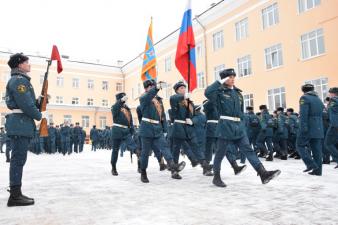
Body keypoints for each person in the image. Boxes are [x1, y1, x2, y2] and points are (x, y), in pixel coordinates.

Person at [205, 68, 280, 188]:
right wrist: (219, 82)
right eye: (229, 77)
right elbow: (208, 93)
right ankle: (216, 177)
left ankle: (263, 173)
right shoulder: (219, 92)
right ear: (224, 79)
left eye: (233, 76)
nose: (232, 79)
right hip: (225, 126)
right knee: (220, 153)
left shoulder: (238, 94)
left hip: (238, 127)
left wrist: (243, 126)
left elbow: (241, 112)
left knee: (248, 150)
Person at [5, 53, 48, 206]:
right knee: (18, 160)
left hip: (21, 123)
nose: (29, 64)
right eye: (26, 62)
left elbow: (28, 102)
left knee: (19, 160)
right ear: (19, 64)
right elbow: (25, 104)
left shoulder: (21, 80)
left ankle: (16, 192)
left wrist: (40, 101)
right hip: (20, 124)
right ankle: (15, 196)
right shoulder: (19, 81)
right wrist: (38, 115)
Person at [138, 79, 186, 183]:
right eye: (150, 87)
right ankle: (143, 172)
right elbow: (148, 96)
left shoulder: (159, 100)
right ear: (146, 89)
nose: (152, 88)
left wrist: (165, 130)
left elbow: (162, 116)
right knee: (145, 153)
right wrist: (156, 88)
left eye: (153, 86)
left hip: (157, 128)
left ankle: (173, 166)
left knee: (165, 148)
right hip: (146, 128)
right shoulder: (144, 98)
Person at [170, 81, 212, 179]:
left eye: (184, 88)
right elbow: (173, 98)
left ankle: (205, 167)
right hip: (178, 128)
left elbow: (196, 115)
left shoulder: (190, 102)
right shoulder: (175, 100)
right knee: (176, 150)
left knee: (196, 148)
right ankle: (174, 171)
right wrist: (183, 96)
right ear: (176, 91)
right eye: (181, 88)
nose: (183, 90)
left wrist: (192, 121)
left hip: (188, 128)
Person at [297, 84, 324, 176]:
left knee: (300, 145)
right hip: (319, 127)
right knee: (317, 150)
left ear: (303, 90)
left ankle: (310, 164)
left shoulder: (304, 98)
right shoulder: (318, 99)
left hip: (309, 126)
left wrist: (303, 128)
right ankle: (318, 171)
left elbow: (304, 115)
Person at [111, 92, 137, 176]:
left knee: (135, 148)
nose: (124, 100)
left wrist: (132, 131)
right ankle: (113, 167)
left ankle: (141, 166)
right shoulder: (115, 107)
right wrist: (121, 101)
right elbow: (115, 108)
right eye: (122, 98)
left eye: (124, 99)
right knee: (115, 150)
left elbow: (130, 120)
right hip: (117, 130)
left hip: (126, 131)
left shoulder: (127, 109)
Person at [324, 87, 338, 169]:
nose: (329, 94)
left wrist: (329, 103)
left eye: (330, 93)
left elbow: (331, 112)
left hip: (335, 125)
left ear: (333, 93)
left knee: (328, 143)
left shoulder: (334, 100)